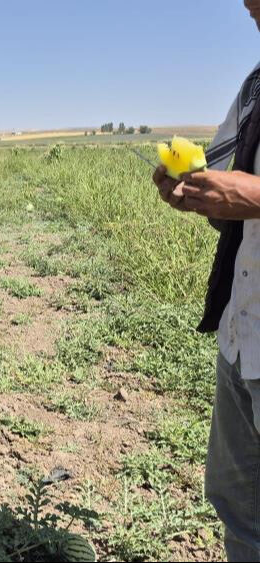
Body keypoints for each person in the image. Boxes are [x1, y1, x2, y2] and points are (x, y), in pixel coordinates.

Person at [154, 2, 260, 559]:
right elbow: (220, 175)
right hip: (244, 336)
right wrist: (190, 192)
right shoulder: (255, 86)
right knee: (237, 508)